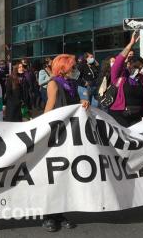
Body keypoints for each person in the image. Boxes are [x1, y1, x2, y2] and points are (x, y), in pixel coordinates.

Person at [42, 54, 89, 232]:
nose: (75, 68)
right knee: (54, 175)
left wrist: (83, 103)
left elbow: (74, 104)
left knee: (65, 175)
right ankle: (48, 215)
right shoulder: (53, 83)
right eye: (72, 65)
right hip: (57, 134)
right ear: (64, 67)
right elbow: (50, 107)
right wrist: (43, 131)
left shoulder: (72, 84)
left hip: (69, 133)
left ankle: (59, 213)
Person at [109, 31, 143, 127]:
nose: (138, 69)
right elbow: (119, 60)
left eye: (140, 67)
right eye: (136, 66)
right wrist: (131, 43)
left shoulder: (141, 79)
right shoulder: (120, 75)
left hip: (137, 116)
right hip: (120, 115)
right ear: (129, 65)